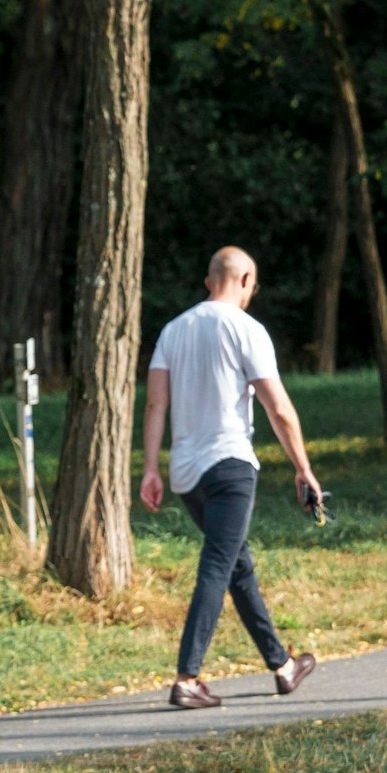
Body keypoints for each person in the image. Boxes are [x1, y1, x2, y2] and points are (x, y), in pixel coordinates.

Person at [140, 246, 320, 710]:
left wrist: (151, 469)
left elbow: (156, 404)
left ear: (208, 280)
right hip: (230, 467)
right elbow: (277, 408)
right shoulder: (246, 329)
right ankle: (187, 678)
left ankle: (282, 665)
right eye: (252, 286)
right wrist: (303, 468)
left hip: (186, 474)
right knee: (218, 566)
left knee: (237, 565)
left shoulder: (172, 331)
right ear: (243, 280)